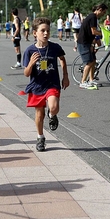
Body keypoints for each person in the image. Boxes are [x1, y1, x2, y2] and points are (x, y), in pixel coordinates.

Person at [22, 17, 69, 151]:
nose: (46, 33)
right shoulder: (30, 51)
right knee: (39, 114)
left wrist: (65, 76)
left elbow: (62, 59)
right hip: (37, 86)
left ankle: (52, 115)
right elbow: (26, 73)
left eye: (48, 30)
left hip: (52, 83)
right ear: (35, 33)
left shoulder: (55, 47)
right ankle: (40, 137)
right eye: (42, 30)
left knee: (53, 107)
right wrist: (31, 63)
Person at [77, 3, 108, 89]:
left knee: (93, 60)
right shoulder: (93, 17)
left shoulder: (93, 17)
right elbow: (93, 31)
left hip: (88, 42)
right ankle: (83, 82)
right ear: (100, 10)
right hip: (83, 42)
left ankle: (91, 79)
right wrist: (104, 34)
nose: (104, 14)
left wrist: (93, 44)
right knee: (89, 62)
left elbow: (92, 34)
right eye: (104, 12)